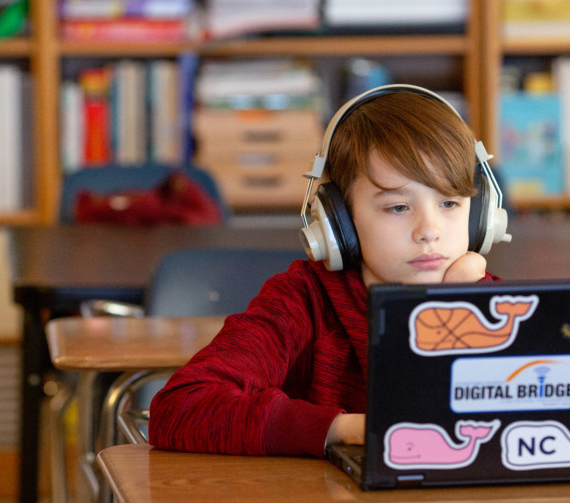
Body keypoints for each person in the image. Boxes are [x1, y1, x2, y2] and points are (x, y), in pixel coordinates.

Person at [149, 85, 505, 458]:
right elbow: (180, 407)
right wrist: (346, 428)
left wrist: (466, 306)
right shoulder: (302, 301)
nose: (429, 230)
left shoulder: (494, 306)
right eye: (398, 207)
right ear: (339, 223)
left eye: (449, 203)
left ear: (480, 217)